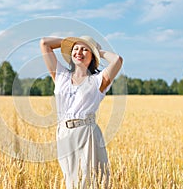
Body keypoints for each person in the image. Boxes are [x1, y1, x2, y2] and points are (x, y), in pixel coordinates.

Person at [40, 36, 123, 188]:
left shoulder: (98, 80)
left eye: (85, 49)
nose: (79, 52)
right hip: (64, 133)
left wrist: (98, 50)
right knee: (71, 181)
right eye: (76, 48)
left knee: (88, 179)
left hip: (87, 132)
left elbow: (117, 60)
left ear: (92, 57)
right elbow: (45, 43)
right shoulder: (61, 75)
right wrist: (70, 41)